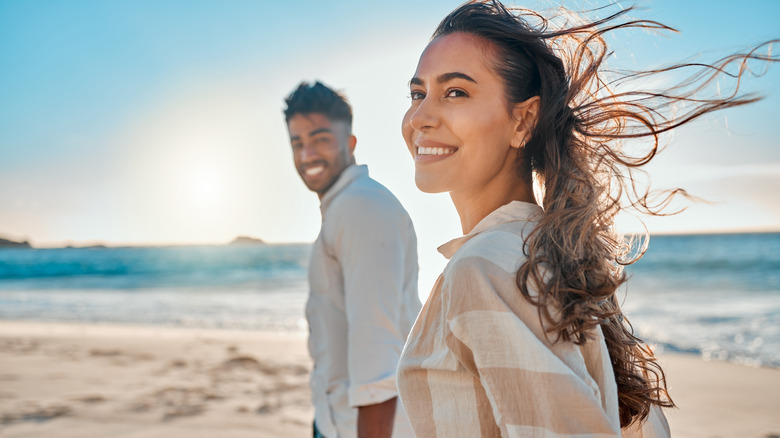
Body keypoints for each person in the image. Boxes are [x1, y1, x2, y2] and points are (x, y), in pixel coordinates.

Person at [396, 1, 777, 437]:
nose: (419, 118)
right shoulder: (547, 250)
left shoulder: (485, 267)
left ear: (523, 121)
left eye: (456, 92)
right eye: (416, 94)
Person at [284, 81, 421, 438]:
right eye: (297, 143)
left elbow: (377, 355)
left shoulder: (360, 206)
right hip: (336, 422)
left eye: (320, 139)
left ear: (350, 143)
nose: (306, 155)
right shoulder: (345, 207)